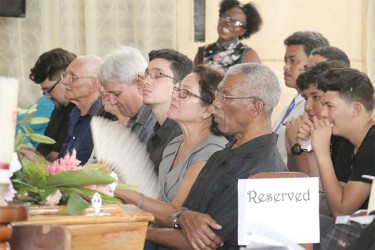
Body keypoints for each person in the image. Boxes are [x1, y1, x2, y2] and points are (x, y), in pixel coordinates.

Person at [145, 63, 287, 249]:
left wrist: (144, 232)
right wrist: (182, 217)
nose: (216, 103)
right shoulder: (222, 155)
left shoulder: (262, 173)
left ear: (255, 107)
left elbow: (206, 241)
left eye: (225, 96)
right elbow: (185, 214)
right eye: (218, 95)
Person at [115, 65, 228, 225]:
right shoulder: (175, 144)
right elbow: (155, 199)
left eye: (185, 93)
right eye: (177, 89)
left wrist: (123, 191)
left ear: (208, 109)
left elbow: (176, 213)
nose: (174, 96)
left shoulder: (212, 152)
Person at [310, 68, 374, 217]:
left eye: (330, 106)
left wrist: (322, 153)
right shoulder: (346, 142)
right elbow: (326, 199)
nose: (323, 113)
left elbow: (341, 211)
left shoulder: (372, 145)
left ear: (356, 109)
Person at [273, 31, 330, 164]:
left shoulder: (314, 110)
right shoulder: (292, 104)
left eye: (293, 61)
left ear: (312, 64)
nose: (285, 67)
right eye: (285, 61)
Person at [19, 48, 76, 162]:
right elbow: (45, 150)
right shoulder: (59, 109)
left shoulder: (78, 111)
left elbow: (59, 159)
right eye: (44, 92)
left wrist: (35, 157)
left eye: (48, 90)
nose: (47, 96)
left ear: (65, 79)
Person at [140, 49, 193, 173]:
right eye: (146, 74)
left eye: (158, 75)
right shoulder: (156, 132)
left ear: (180, 86)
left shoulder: (182, 135)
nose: (146, 81)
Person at [97, 46, 156, 143]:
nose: (112, 101)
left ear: (139, 84)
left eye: (116, 94)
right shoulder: (135, 119)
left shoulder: (155, 124)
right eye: (108, 94)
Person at [194, 0, 262, 74]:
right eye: (226, 17)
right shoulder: (202, 52)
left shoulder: (248, 55)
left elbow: (256, 84)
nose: (228, 23)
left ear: (243, 31)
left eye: (236, 23)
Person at [58, 55, 102, 165]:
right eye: (65, 75)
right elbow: (62, 161)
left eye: (72, 77)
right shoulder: (75, 113)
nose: (64, 82)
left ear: (93, 84)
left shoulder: (104, 118)